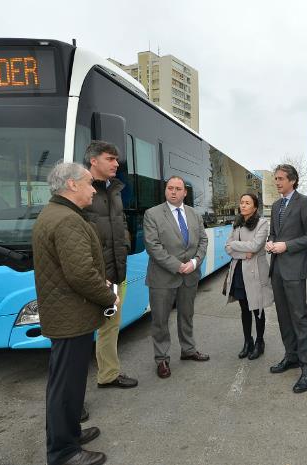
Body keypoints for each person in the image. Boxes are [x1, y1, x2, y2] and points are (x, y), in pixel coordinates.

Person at [33, 162, 118, 465]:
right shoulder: (67, 220)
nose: (93, 189)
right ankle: (64, 452)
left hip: (67, 314)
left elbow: (75, 268)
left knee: (65, 383)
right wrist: (108, 295)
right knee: (66, 386)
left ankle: (69, 434)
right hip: (72, 316)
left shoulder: (55, 213)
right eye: (88, 183)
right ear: (71, 185)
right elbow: (81, 274)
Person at [82, 141, 138, 390]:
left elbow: (121, 223)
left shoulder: (115, 190)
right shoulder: (80, 191)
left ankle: (108, 375)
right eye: (110, 159)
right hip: (91, 276)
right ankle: (74, 397)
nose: (117, 164)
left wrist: (124, 246)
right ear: (94, 161)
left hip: (117, 271)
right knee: (80, 334)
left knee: (110, 326)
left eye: (117, 159)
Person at [143, 176, 209, 379]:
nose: (173, 191)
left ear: (185, 193)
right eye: (170, 188)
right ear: (165, 191)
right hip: (163, 278)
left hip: (190, 276)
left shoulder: (194, 215)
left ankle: (188, 350)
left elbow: (203, 241)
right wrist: (178, 266)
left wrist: (195, 263)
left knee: (187, 315)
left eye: (178, 188)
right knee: (160, 320)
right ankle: (161, 359)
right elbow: (152, 246)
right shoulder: (152, 214)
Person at [266, 164, 307, 394]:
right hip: (277, 269)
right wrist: (271, 243)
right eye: (275, 179)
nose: (277, 182)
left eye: (280, 178)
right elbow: (274, 233)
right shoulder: (277, 205)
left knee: (299, 317)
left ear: (293, 180)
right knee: (283, 317)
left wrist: (286, 245)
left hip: (295, 269)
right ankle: (292, 357)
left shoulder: (304, 202)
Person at [223, 193, 274, 360]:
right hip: (239, 269)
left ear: (255, 207)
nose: (243, 205)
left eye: (247, 203)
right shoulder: (236, 222)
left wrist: (235, 245)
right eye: (242, 202)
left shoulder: (262, 223)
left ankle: (260, 342)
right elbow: (228, 248)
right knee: (244, 308)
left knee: (257, 307)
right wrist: (244, 254)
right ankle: (248, 341)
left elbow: (256, 245)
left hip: (256, 272)